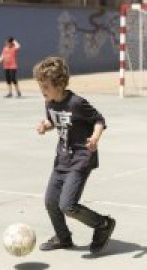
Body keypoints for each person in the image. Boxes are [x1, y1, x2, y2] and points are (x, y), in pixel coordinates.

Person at [33, 56, 116, 253]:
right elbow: (56, 121)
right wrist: (46, 125)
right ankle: (63, 238)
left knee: (67, 205)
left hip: (81, 159)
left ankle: (103, 224)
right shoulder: (50, 102)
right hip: (61, 159)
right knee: (51, 202)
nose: (42, 91)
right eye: (40, 86)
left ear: (59, 84)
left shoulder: (77, 103)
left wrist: (95, 138)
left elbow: (99, 120)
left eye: (45, 86)